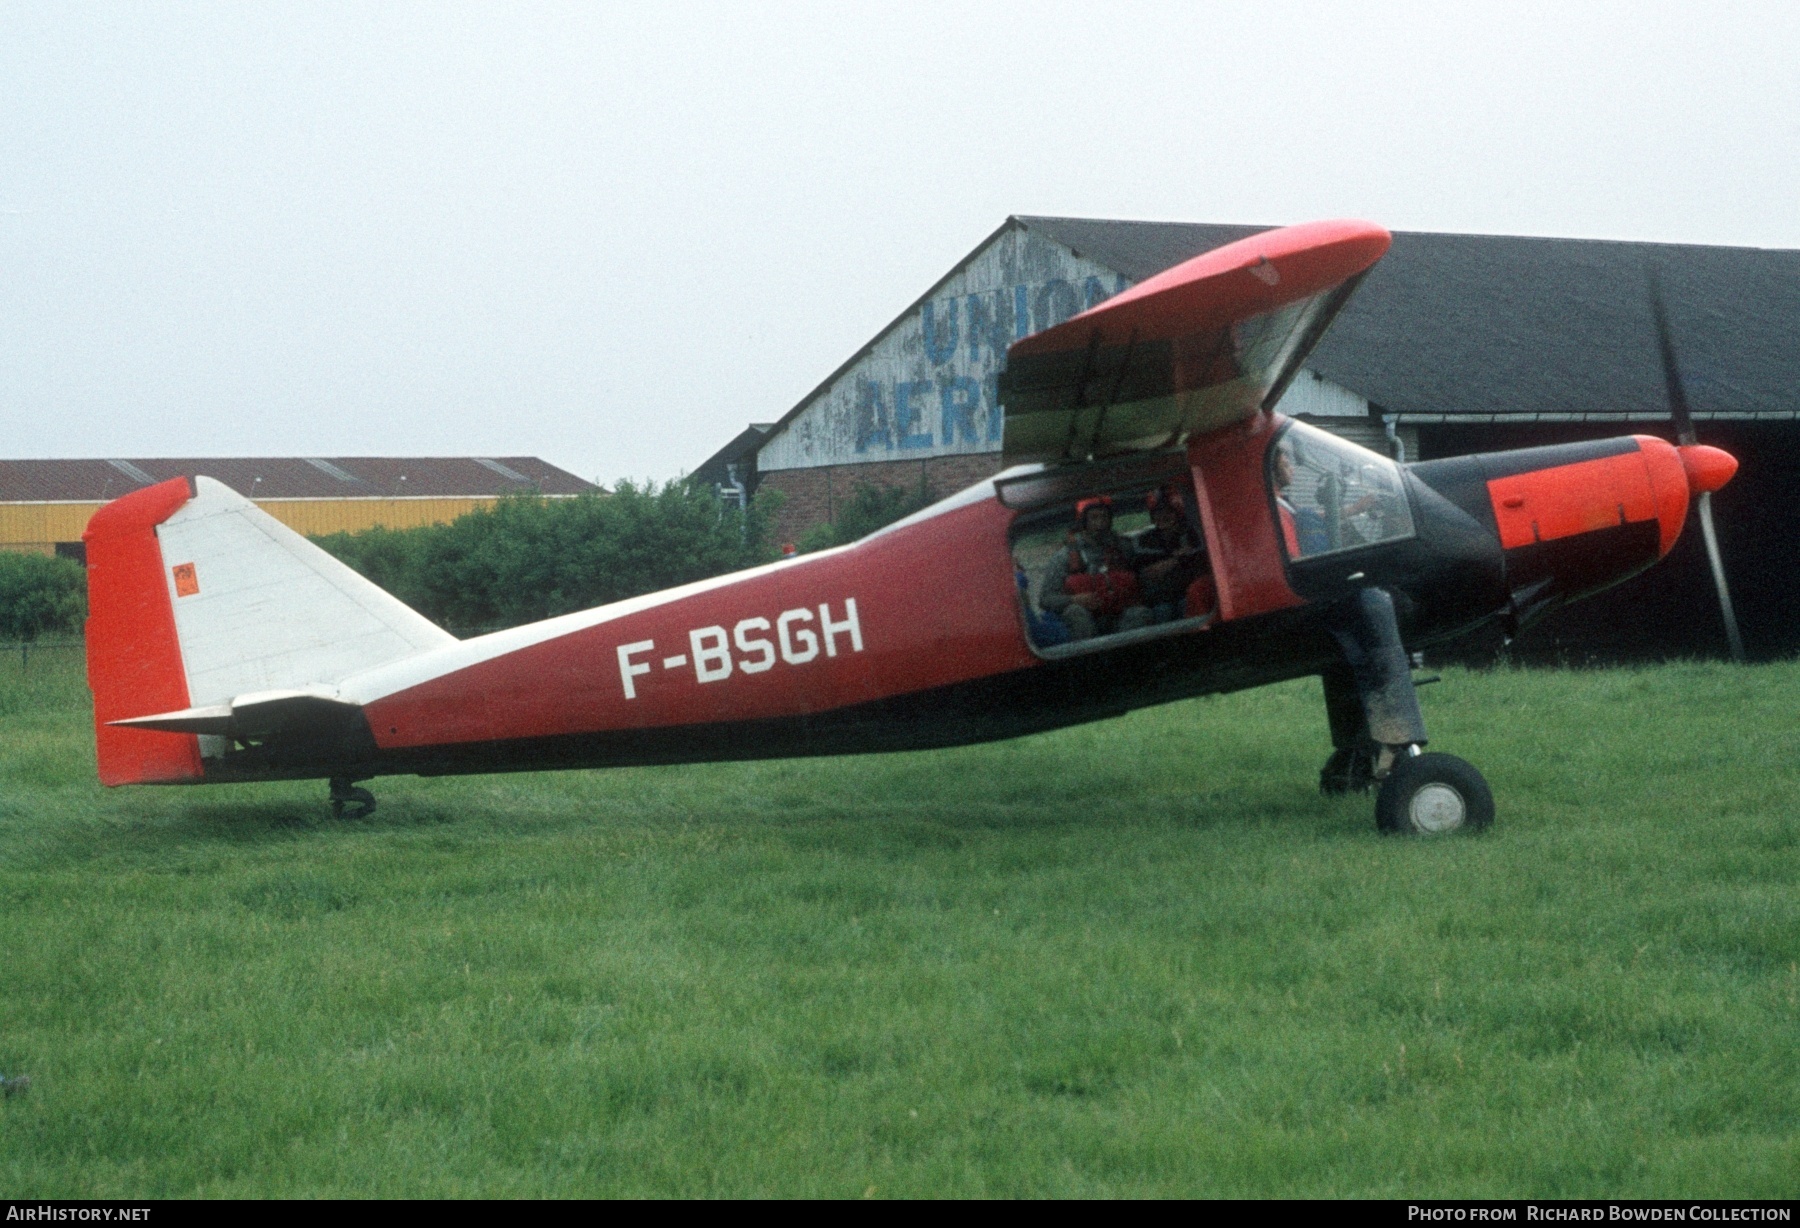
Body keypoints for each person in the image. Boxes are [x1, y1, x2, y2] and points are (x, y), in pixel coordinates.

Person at [1036, 496, 1152, 641]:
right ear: (1084, 522)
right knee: (1075, 612)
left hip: (1122, 615)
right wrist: (1075, 599)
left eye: (1104, 517)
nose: (1100, 523)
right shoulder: (1065, 556)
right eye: (1094, 517)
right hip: (1085, 619)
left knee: (1141, 613)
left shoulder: (1123, 548)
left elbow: (1143, 580)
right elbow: (1045, 599)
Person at [1134, 487, 1211, 623]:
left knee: (1188, 604)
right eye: (1158, 513)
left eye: (1168, 512)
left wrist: (1169, 564)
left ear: (1178, 512)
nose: (1163, 517)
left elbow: (1199, 564)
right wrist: (1177, 559)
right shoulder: (1144, 540)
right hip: (1159, 600)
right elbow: (1150, 573)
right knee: (1163, 611)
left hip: (1186, 595)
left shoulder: (1193, 535)